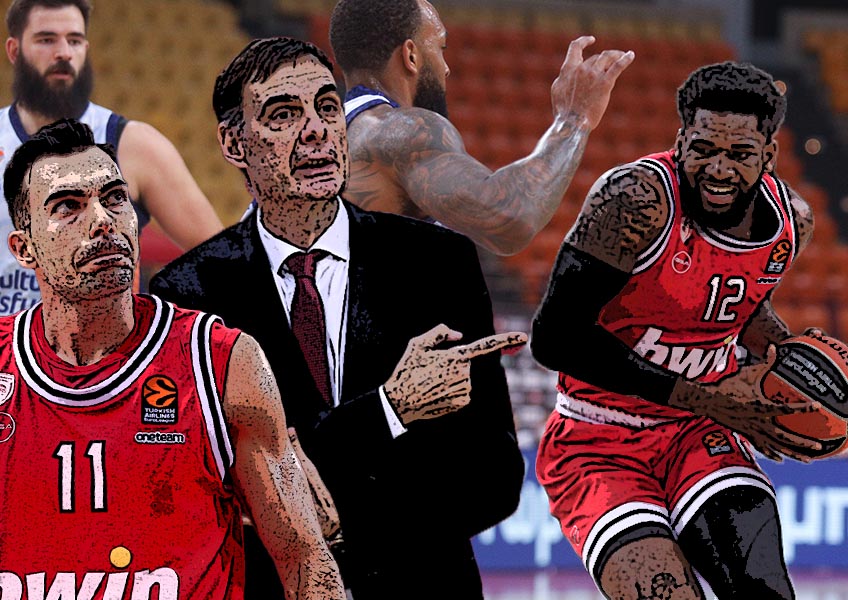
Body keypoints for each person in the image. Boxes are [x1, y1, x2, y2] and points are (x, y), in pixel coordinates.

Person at [149, 37, 527, 599]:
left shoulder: (439, 263)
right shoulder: (187, 293)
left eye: (328, 107)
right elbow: (203, 492)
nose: (317, 131)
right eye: (284, 114)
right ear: (233, 143)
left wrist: (323, 520)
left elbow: (494, 476)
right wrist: (389, 409)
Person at [531, 61, 848, 599]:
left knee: (763, 591)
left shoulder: (792, 223)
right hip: (599, 438)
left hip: (698, 433)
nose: (719, 169)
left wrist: (793, 356)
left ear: (768, 155)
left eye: (739, 154)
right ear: (680, 141)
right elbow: (554, 337)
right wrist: (708, 399)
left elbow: (738, 306)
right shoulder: (634, 200)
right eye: (703, 149)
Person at [0, 119, 343, 599]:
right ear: (25, 249)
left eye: (115, 198)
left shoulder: (222, 361)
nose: (102, 220)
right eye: (68, 206)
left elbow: (305, 560)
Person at [329, 0, 634, 255]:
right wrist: (574, 118)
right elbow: (510, 218)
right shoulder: (402, 131)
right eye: (440, 47)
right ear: (411, 55)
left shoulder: (335, 134)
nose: (446, 68)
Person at [0, 0, 224, 315]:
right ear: (14, 50)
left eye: (74, 40)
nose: (63, 52)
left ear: (86, 49)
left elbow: (224, 265)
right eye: (46, 39)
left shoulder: (135, 144)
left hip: (106, 343)